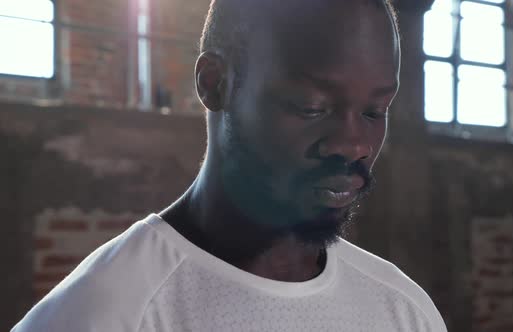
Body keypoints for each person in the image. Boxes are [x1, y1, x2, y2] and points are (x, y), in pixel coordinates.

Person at [13, 0, 447, 331]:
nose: (354, 145)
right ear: (215, 84)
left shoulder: (403, 311)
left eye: (376, 111)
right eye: (311, 106)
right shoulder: (107, 313)